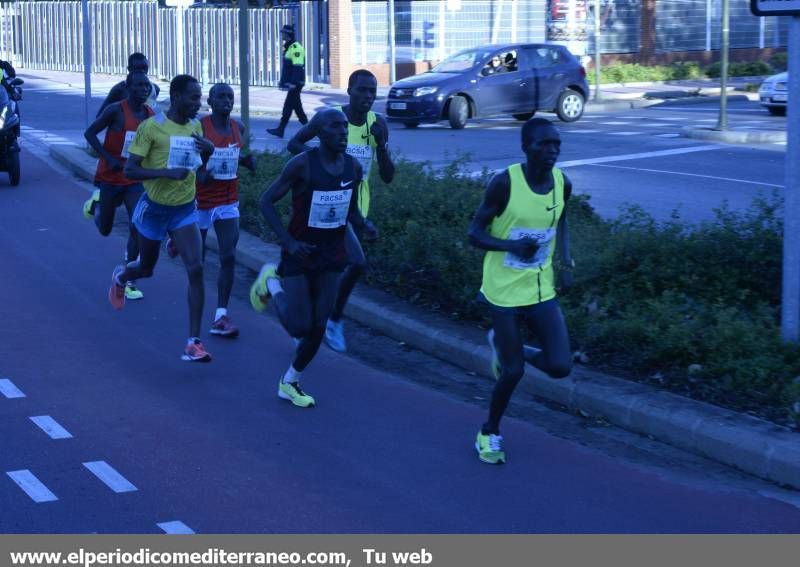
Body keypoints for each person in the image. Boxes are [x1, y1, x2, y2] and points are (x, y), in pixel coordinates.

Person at [250, 108, 376, 408]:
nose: (343, 132)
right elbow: (266, 201)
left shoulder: (353, 168)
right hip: (300, 251)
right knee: (299, 327)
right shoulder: (302, 166)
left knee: (319, 326)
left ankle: (290, 381)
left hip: (332, 252)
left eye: (345, 127)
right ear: (319, 132)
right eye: (335, 127)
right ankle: (272, 283)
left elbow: (351, 211)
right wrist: (289, 242)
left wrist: (364, 225)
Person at [467, 117, 574, 465]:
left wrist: (566, 258)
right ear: (526, 147)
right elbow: (475, 233)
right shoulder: (505, 184)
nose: (552, 151)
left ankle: (504, 345)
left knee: (560, 366)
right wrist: (510, 246)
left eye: (556, 144)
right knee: (512, 372)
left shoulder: (562, 182)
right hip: (504, 293)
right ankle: (489, 432)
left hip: (541, 288)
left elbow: (562, 219)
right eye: (544, 144)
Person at [107, 74, 215, 362]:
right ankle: (121, 276)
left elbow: (198, 171)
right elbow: (130, 171)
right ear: (177, 96)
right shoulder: (151, 128)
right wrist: (166, 173)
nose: (199, 103)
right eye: (194, 97)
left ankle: (193, 342)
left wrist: (208, 154)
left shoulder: (195, 126)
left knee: (196, 269)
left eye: (200, 97)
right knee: (146, 269)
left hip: (184, 208)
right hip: (153, 209)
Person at [287, 69, 394, 352]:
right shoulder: (332, 118)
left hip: (356, 210)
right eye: (362, 90)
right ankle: (329, 320)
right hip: (325, 206)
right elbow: (294, 143)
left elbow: (387, 176)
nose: (367, 97)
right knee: (356, 262)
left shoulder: (377, 124)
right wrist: (320, 161)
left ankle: (313, 318)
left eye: (372, 91)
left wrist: (381, 144)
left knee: (329, 266)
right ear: (349, 90)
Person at [83, 71, 155, 301]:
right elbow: (90, 133)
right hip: (110, 177)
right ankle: (96, 206)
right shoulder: (115, 110)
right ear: (128, 86)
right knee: (105, 229)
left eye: (147, 85)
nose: (145, 89)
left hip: (133, 179)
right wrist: (108, 157)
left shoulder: (149, 115)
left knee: (138, 224)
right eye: (140, 85)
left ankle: (128, 274)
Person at [195, 82, 256, 338]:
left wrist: (245, 161)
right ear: (210, 101)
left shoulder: (237, 128)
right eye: (220, 96)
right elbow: (192, 169)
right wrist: (205, 171)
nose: (226, 100)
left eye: (230, 97)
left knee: (228, 256)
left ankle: (221, 314)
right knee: (196, 262)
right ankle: (176, 237)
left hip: (227, 200)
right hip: (199, 201)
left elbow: (231, 158)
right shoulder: (200, 128)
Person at [266, 25, 308, 138]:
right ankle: (282, 129)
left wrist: (293, 83)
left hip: (296, 83)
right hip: (293, 83)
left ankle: (310, 129)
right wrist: (284, 82)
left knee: (290, 106)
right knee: (295, 107)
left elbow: (297, 66)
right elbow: (288, 68)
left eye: (283, 33)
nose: (282, 35)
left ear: (288, 34)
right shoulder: (289, 47)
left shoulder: (296, 48)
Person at [97, 53, 161, 117]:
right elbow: (100, 116)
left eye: (145, 68)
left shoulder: (155, 89)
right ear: (129, 69)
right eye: (137, 68)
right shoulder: (119, 90)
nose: (142, 71)